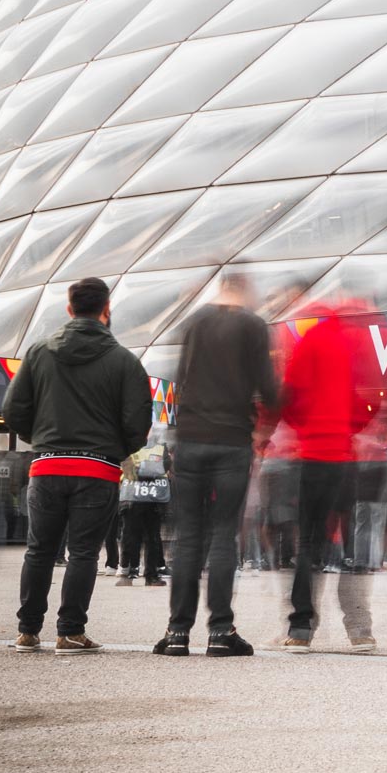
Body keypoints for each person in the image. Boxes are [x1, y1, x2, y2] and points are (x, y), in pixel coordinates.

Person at [6, 277, 153, 655]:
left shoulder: (39, 352)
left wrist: (43, 439)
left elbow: (13, 410)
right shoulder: (125, 361)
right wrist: (115, 449)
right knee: (84, 553)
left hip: (47, 466)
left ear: (69, 309)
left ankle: (27, 631)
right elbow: (138, 422)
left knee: (39, 550)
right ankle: (70, 632)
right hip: (96, 470)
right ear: (107, 310)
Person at [154, 272, 279, 658]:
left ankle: (177, 632)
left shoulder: (194, 323)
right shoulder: (253, 326)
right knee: (224, 534)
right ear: (244, 288)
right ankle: (221, 632)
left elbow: (178, 380)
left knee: (188, 535)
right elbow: (268, 388)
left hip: (191, 439)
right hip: (231, 440)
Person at [276, 296, 377, 653]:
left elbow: (288, 394)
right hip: (345, 456)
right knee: (352, 548)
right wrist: (352, 427)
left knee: (308, 544)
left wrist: (304, 429)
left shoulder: (310, 340)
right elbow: (372, 395)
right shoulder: (358, 342)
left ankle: (301, 628)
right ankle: (360, 630)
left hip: (312, 456)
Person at [119, 436, 170, 586]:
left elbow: (164, 466)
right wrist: (151, 468)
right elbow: (127, 469)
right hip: (133, 497)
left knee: (152, 538)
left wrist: (140, 467)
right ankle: (129, 572)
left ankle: (151, 575)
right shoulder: (129, 444)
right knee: (130, 536)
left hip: (153, 498)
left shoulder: (161, 447)